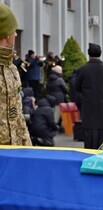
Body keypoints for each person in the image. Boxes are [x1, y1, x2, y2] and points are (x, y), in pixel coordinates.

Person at [0, 3, 32, 146]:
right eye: (14, 30)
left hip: (14, 155)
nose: (16, 34)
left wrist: (27, 151)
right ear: (6, 34)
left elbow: (18, 118)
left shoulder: (11, 67)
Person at [75, 43, 103, 149]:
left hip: (88, 104)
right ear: (100, 54)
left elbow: (77, 87)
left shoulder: (82, 69)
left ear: (88, 54)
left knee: (89, 132)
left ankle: (89, 155)